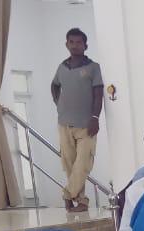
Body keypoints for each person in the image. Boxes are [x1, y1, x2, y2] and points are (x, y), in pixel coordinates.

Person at [51, 27, 103, 212]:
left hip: (87, 125)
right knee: (69, 165)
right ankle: (82, 202)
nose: (75, 45)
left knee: (83, 163)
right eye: (71, 42)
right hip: (64, 123)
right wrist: (59, 104)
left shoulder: (93, 67)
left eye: (79, 42)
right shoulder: (62, 67)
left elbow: (98, 94)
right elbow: (54, 86)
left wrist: (95, 117)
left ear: (85, 45)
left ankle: (67, 194)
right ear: (66, 44)